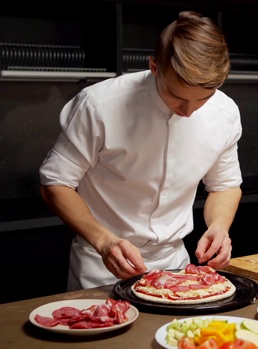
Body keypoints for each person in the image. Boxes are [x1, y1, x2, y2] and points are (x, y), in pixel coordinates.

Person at [39, 11, 243, 290]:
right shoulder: (98, 105)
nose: (188, 111)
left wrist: (219, 227)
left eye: (202, 100)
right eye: (177, 97)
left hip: (176, 266)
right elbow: (55, 182)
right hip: (102, 265)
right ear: (154, 66)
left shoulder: (225, 113)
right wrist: (103, 240)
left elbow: (225, 185)